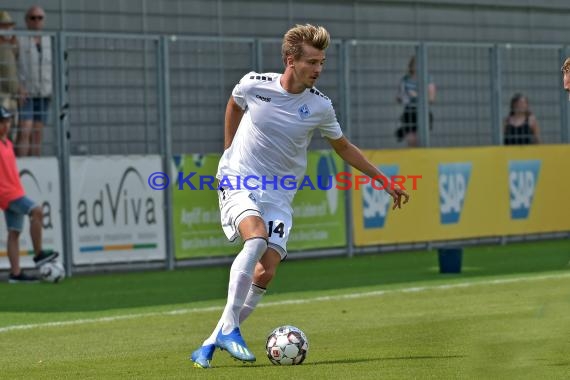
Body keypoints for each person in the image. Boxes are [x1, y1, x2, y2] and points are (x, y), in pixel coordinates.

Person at [190, 24, 409, 369]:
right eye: (311, 62)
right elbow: (234, 104)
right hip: (238, 179)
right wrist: (228, 148)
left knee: (267, 271)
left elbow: (343, 147)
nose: (318, 69)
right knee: (256, 237)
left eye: (322, 62)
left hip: (279, 193)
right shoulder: (254, 85)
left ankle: (212, 339)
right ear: (291, 60)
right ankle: (230, 330)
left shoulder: (320, 106)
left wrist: (382, 179)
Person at [0, 106, 58, 283]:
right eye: (2, 122)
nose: (6, 125)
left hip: (15, 190)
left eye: (7, 121)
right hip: (7, 194)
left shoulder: (8, 143)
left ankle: (15, 274)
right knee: (37, 211)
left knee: (14, 233)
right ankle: (39, 254)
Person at [16, 5, 52, 157]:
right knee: (25, 129)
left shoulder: (50, 40)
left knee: (37, 133)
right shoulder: (19, 40)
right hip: (26, 93)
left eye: (40, 18)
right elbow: (10, 64)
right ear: (27, 21)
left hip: (44, 93)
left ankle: (36, 167)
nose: (36, 21)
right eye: (33, 18)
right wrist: (18, 87)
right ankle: (21, 166)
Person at [395, 56, 436, 147]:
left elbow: (431, 98)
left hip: (423, 112)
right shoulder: (405, 79)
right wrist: (403, 97)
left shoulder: (427, 79)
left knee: (422, 138)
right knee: (411, 139)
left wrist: (417, 95)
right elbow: (398, 97)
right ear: (411, 66)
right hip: (409, 111)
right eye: (415, 64)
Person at [0, 11, 21, 118]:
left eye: (10, 26)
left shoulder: (13, 45)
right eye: (4, 26)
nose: (8, 29)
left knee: (13, 130)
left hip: (13, 97)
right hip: (2, 97)